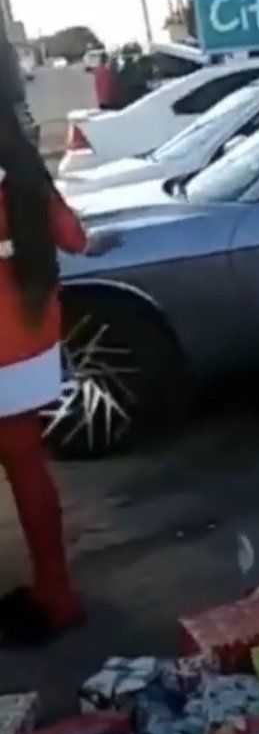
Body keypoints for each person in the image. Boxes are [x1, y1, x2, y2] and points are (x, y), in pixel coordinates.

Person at [0, 98, 91, 644]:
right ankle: (56, 592)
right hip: (30, 350)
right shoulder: (28, 183)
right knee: (29, 470)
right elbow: (75, 240)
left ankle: (52, 598)